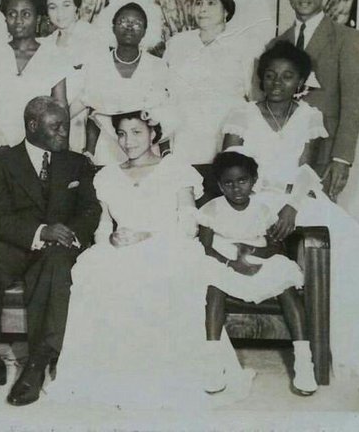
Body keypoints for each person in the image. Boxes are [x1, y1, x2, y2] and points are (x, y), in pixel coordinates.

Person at [218, 41, 359, 379]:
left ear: (300, 82)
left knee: (354, 241)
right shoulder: (242, 115)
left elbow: (305, 170)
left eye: (286, 77)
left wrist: (291, 208)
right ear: (260, 79)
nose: (277, 84)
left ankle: (353, 342)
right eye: (270, 76)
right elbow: (228, 168)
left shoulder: (310, 117)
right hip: (250, 197)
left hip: (297, 199)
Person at [46, 111, 255, 409]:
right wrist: (110, 239)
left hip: (168, 244)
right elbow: (104, 226)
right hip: (121, 247)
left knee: (158, 276)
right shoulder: (107, 176)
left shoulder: (175, 169)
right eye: (121, 133)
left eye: (136, 132)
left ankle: (178, 371)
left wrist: (148, 235)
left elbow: (188, 224)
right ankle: (112, 374)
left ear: (153, 134)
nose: (128, 140)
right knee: (95, 275)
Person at [0, 96, 101, 405]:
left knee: (57, 264)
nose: (64, 132)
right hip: (13, 245)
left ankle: (36, 365)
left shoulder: (77, 163)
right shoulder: (0, 161)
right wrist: (38, 232)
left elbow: (90, 210)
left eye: (65, 125)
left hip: (56, 250)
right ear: (33, 126)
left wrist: (69, 235)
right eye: (57, 126)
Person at [198, 150, 317, 396]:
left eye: (242, 181)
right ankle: (213, 363)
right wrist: (232, 263)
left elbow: (276, 245)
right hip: (223, 261)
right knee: (213, 285)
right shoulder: (212, 209)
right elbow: (204, 247)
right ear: (220, 185)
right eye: (228, 183)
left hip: (256, 257)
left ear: (253, 181)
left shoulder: (262, 209)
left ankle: (304, 360)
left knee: (285, 283)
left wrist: (255, 252)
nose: (236, 188)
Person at [272, 0, 359, 201]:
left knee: (317, 226)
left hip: (324, 152)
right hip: (280, 154)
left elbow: (353, 104)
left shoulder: (348, 39)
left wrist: (342, 159)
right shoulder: (276, 45)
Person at [164, 0, 264, 164]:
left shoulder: (245, 45)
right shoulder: (178, 43)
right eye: (199, 3)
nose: (202, 9)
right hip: (184, 133)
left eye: (211, 3)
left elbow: (254, 98)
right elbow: (166, 91)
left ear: (226, 10)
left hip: (226, 132)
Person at [72, 0, 175, 165]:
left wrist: (166, 155)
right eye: (123, 22)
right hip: (105, 150)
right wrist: (89, 153)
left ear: (144, 31)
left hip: (146, 151)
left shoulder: (157, 67)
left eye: (136, 23)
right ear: (112, 28)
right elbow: (93, 112)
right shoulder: (97, 65)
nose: (129, 27)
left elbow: (162, 115)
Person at [0, 0, 68, 146]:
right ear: (5, 18)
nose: (18, 21)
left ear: (38, 18)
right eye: (12, 14)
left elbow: (60, 107)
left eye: (26, 14)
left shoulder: (55, 56)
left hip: (39, 142)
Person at [39, 0, 101, 153]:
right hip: (51, 126)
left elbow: (94, 90)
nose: (60, 13)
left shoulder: (93, 38)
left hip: (84, 122)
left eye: (66, 5)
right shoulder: (46, 44)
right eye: (53, 7)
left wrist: (61, 118)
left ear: (76, 7)